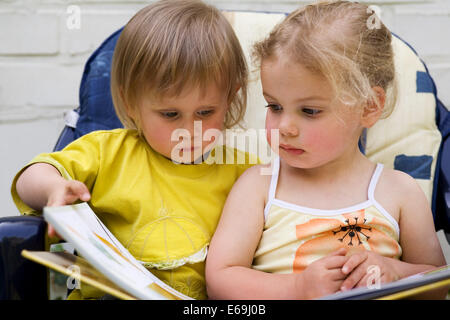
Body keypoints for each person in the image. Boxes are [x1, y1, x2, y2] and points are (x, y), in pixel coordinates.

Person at [11, 0, 257, 300]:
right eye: (170, 114)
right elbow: (29, 178)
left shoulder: (245, 174)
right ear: (131, 103)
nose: (189, 130)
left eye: (205, 112)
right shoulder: (107, 152)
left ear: (229, 98)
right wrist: (54, 188)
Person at [205, 0, 447, 300]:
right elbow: (219, 280)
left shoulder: (400, 191)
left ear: (369, 106)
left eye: (309, 110)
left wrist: (396, 273)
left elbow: (438, 282)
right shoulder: (259, 186)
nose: (285, 127)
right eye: (275, 106)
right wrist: (296, 288)